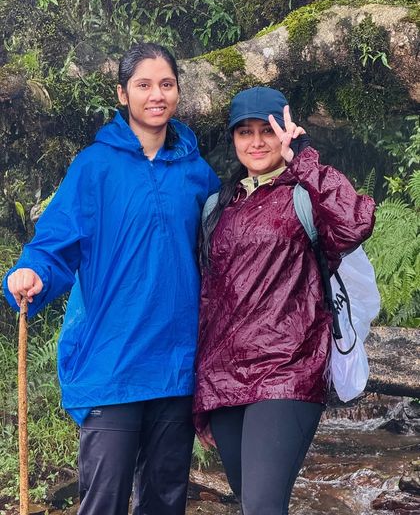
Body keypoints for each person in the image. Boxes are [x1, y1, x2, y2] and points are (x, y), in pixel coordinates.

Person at [3, 42, 220, 515]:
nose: (156, 95)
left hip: (177, 366)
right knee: (103, 502)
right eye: (144, 85)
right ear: (123, 94)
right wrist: (30, 273)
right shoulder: (94, 168)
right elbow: (55, 243)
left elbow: (224, 257)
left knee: (165, 502)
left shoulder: (198, 174)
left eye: (166, 84)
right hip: (112, 364)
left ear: (178, 92)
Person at [193, 86, 375, 515]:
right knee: (248, 499)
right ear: (233, 139)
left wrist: (304, 158)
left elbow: (355, 223)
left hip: (288, 369)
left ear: (286, 134)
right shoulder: (219, 206)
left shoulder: (304, 194)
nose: (256, 142)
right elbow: (208, 295)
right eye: (245, 132)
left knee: (262, 505)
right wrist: (200, 385)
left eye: (268, 131)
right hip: (224, 377)